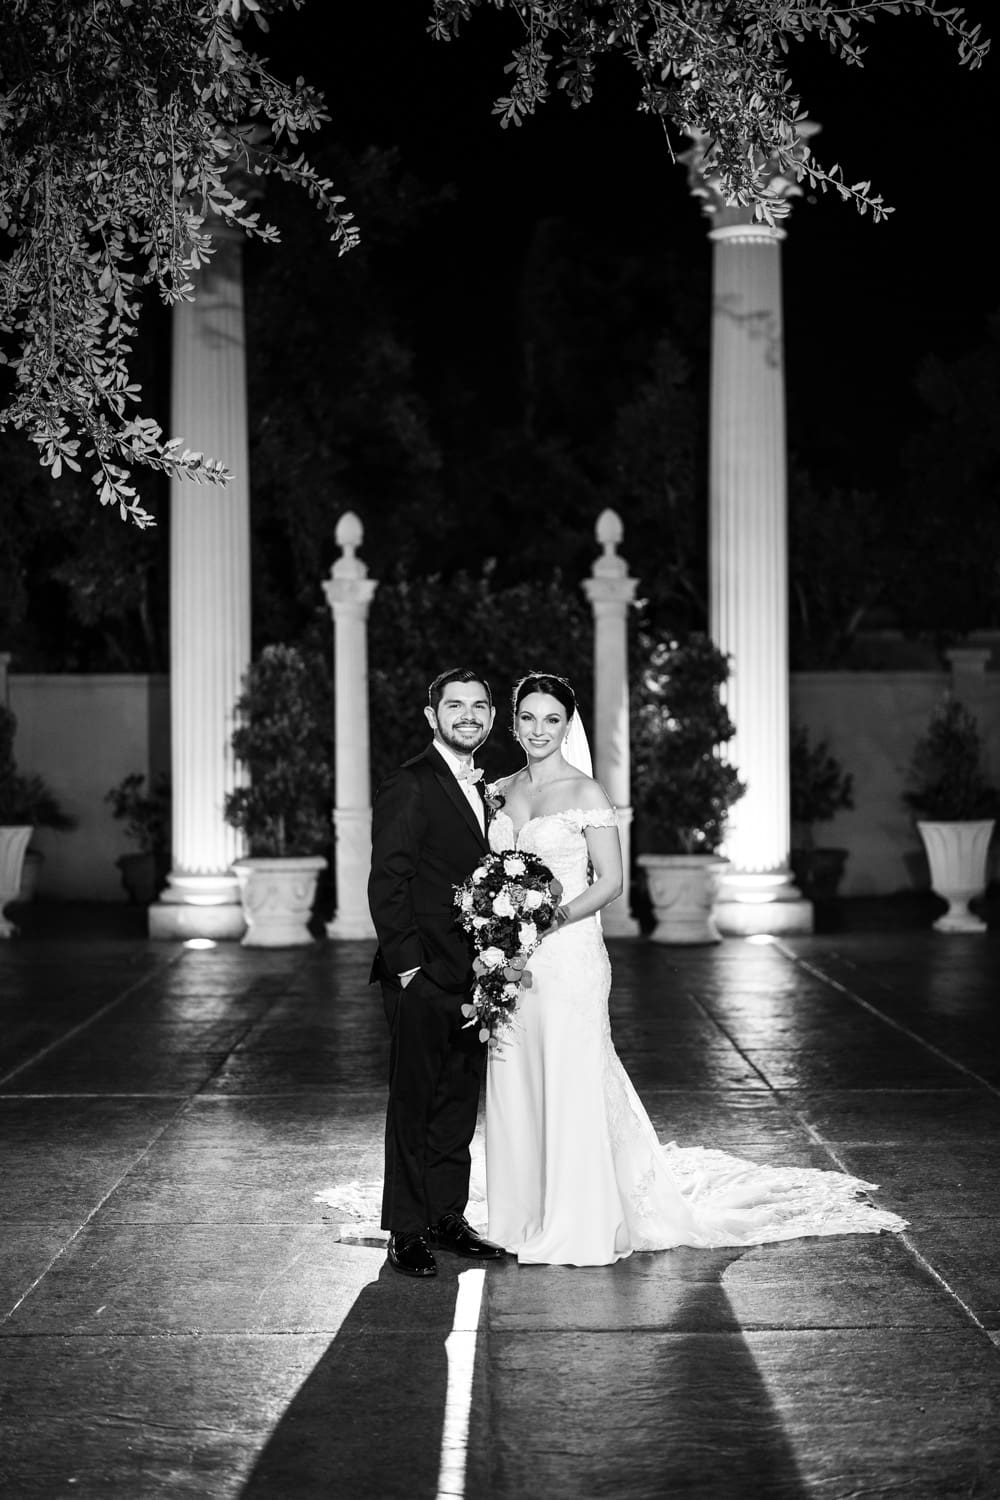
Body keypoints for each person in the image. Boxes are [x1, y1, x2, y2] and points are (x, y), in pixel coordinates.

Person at [485, 671, 908, 1266]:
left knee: (570, 1075)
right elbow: (492, 873)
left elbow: (610, 883)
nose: (539, 729)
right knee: (517, 1076)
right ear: (514, 721)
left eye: (551, 719)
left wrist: (546, 918)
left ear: (567, 725)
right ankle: (519, 1215)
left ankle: (579, 1218)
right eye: (528, 717)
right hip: (512, 958)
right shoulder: (499, 791)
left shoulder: (587, 795)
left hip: (569, 955)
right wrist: (499, 928)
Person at [368, 667, 508, 1278]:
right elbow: (388, 882)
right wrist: (409, 972)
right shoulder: (411, 784)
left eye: (479, 706)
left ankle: (447, 1216)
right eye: (455, 707)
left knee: (456, 1104)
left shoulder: (488, 790)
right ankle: (406, 1230)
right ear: (433, 717)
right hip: (422, 977)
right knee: (414, 1104)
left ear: (490, 718)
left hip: (476, 976)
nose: (468, 716)